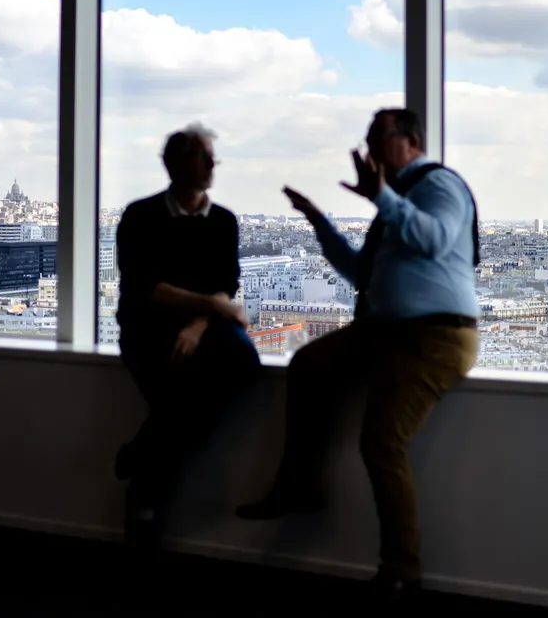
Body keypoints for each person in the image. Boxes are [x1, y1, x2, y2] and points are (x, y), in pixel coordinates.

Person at [237, 107, 480, 605]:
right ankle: (299, 484)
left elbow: (435, 240)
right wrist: (318, 222)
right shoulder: (397, 203)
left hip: (434, 336)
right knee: (309, 365)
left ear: (411, 141)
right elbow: (360, 274)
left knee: (382, 442)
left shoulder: (439, 185)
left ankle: (401, 570)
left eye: (378, 138)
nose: (370, 150)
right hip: (389, 331)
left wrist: (382, 197)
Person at [114, 123, 262, 550]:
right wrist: (213, 307)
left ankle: (141, 460)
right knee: (181, 405)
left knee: (241, 366)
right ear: (175, 163)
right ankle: (145, 508)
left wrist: (199, 324)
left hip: (203, 330)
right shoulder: (141, 217)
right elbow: (145, 289)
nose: (213, 165)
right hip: (149, 330)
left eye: (213, 158)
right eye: (204, 157)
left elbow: (225, 285)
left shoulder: (224, 221)